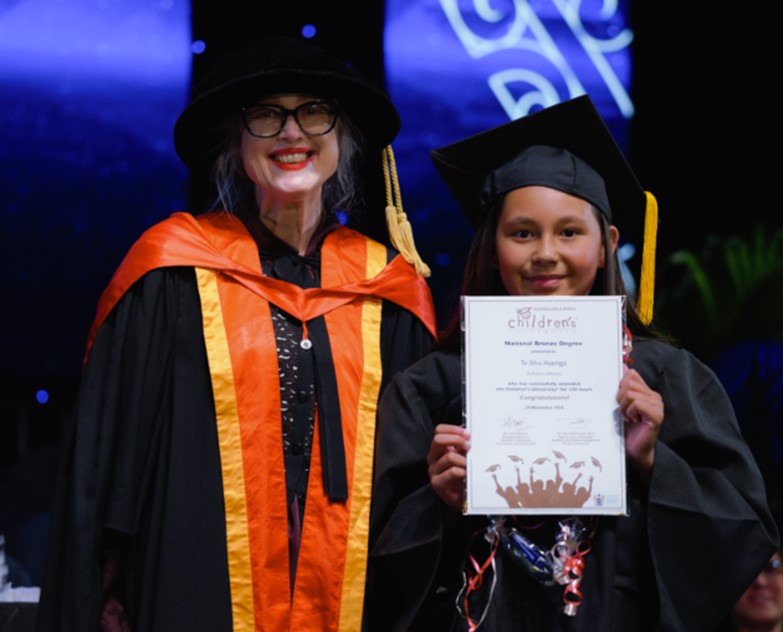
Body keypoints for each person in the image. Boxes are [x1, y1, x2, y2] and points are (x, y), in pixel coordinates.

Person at [35, 36, 437, 632]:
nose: (292, 133)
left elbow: (414, 481)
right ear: (236, 140)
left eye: (314, 112)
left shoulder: (389, 287)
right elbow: (110, 462)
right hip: (197, 584)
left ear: (343, 137)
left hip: (355, 594)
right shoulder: (171, 273)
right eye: (266, 115)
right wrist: (108, 587)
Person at [365, 95, 780, 631]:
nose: (545, 253)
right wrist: (440, 505)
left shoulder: (665, 378)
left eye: (569, 232)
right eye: (522, 233)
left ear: (607, 245)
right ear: (491, 248)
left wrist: (652, 462)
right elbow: (364, 565)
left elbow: (742, 539)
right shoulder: (431, 385)